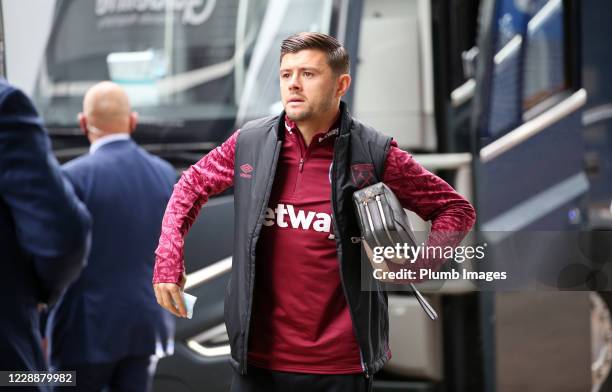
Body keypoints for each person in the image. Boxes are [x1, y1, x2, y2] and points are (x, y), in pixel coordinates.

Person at [153, 33, 476, 392]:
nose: (293, 84)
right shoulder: (249, 144)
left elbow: (455, 210)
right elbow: (189, 186)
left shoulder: (374, 151)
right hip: (257, 363)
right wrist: (168, 258)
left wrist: (417, 266)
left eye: (307, 74)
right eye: (285, 74)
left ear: (341, 84)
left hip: (339, 367)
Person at [47, 82, 176, 391]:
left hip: (85, 330)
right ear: (133, 121)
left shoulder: (72, 178)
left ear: (82, 123)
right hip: (146, 325)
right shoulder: (164, 173)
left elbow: (56, 254)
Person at [0, 79, 91, 381]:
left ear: (84, 123)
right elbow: (61, 237)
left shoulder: (79, 172)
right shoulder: (5, 103)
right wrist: (40, 294)